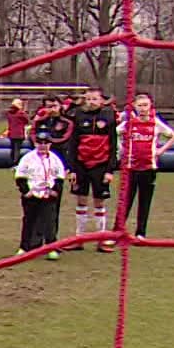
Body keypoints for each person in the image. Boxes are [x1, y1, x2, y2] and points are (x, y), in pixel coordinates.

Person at [116, 93, 174, 240]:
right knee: (126, 201)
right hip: (131, 168)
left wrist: (160, 151)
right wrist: (121, 149)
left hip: (149, 168)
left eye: (146, 105)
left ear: (150, 107)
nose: (143, 109)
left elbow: (173, 136)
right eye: (140, 105)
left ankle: (141, 233)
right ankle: (117, 231)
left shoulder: (155, 123)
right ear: (135, 107)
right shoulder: (129, 123)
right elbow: (114, 133)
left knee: (145, 201)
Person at [68, 88, 119, 250]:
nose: (91, 102)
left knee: (99, 201)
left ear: (101, 101)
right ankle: (79, 238)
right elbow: (73, 144)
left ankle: (101, 239)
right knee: (81, 199)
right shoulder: (78, 116)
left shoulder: (109, 117)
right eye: (88, 99)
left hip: (101, 165)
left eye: (94, 99)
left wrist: (110, 170)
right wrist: (72, 169)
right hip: (82, 165)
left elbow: (113, 145)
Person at [15, 133, 68, 258]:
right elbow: (20, 175)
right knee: (29, 221)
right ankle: (25, 247)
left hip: (48, 195)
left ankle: (51, 247)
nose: (43, 146)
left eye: (46, 143)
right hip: (32, 194)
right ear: (35, 144)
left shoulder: (55, 159)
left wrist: (55, 190)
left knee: (49, 221)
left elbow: (59, 176)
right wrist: (26, 191)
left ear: (50, 144)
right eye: (40, 143)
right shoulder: (27, 158)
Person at [33, 99, 76, 244]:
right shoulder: (40, 122)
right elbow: (33, 137)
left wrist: (46, 139)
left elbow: (64, 139)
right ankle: (35, 239)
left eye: (54, 106)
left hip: (57, 167)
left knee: (53, 204)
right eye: (48, 106)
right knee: (36, 202)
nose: (51, 109)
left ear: (60, 106)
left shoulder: (66, 123)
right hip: (38, 166)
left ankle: (51, 239)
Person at [5, 99, 30, 163]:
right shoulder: (21, 114)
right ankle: (15, 162)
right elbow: (27, 121)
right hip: (19, 134)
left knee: (13, 149)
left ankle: (12, 161)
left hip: (11, 134)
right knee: (17, 150)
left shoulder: (9, 114)